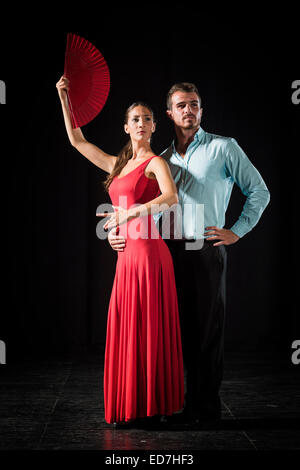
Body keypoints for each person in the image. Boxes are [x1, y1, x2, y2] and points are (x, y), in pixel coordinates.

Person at [108, 82, 271, 427]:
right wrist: (119, 233)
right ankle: (173, 405)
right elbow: (144, 208)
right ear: (168, 114)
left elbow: (259, 191)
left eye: (194, 105)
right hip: (165, 251)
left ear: (201, 110)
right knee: (171, 333)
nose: (188, 111)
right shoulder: (160, 159)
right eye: (181, 106)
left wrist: (237, 230)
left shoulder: (224, 148)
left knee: (206, 332)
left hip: (204, 248)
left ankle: (205, 411)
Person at [56, 76, 184, 426]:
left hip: (149, 253)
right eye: (135, 119)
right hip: (126, 257)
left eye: (146, 118)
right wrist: (64, 96)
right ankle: (133, 405)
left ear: (155, 126)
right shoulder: (117, 165)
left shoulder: (156, 162)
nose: (141, 123)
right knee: (128, 326)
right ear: (126, 127)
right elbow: (77, 140)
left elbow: (170, 198)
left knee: (150, 327)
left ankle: (153, 406)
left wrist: (130, 213)